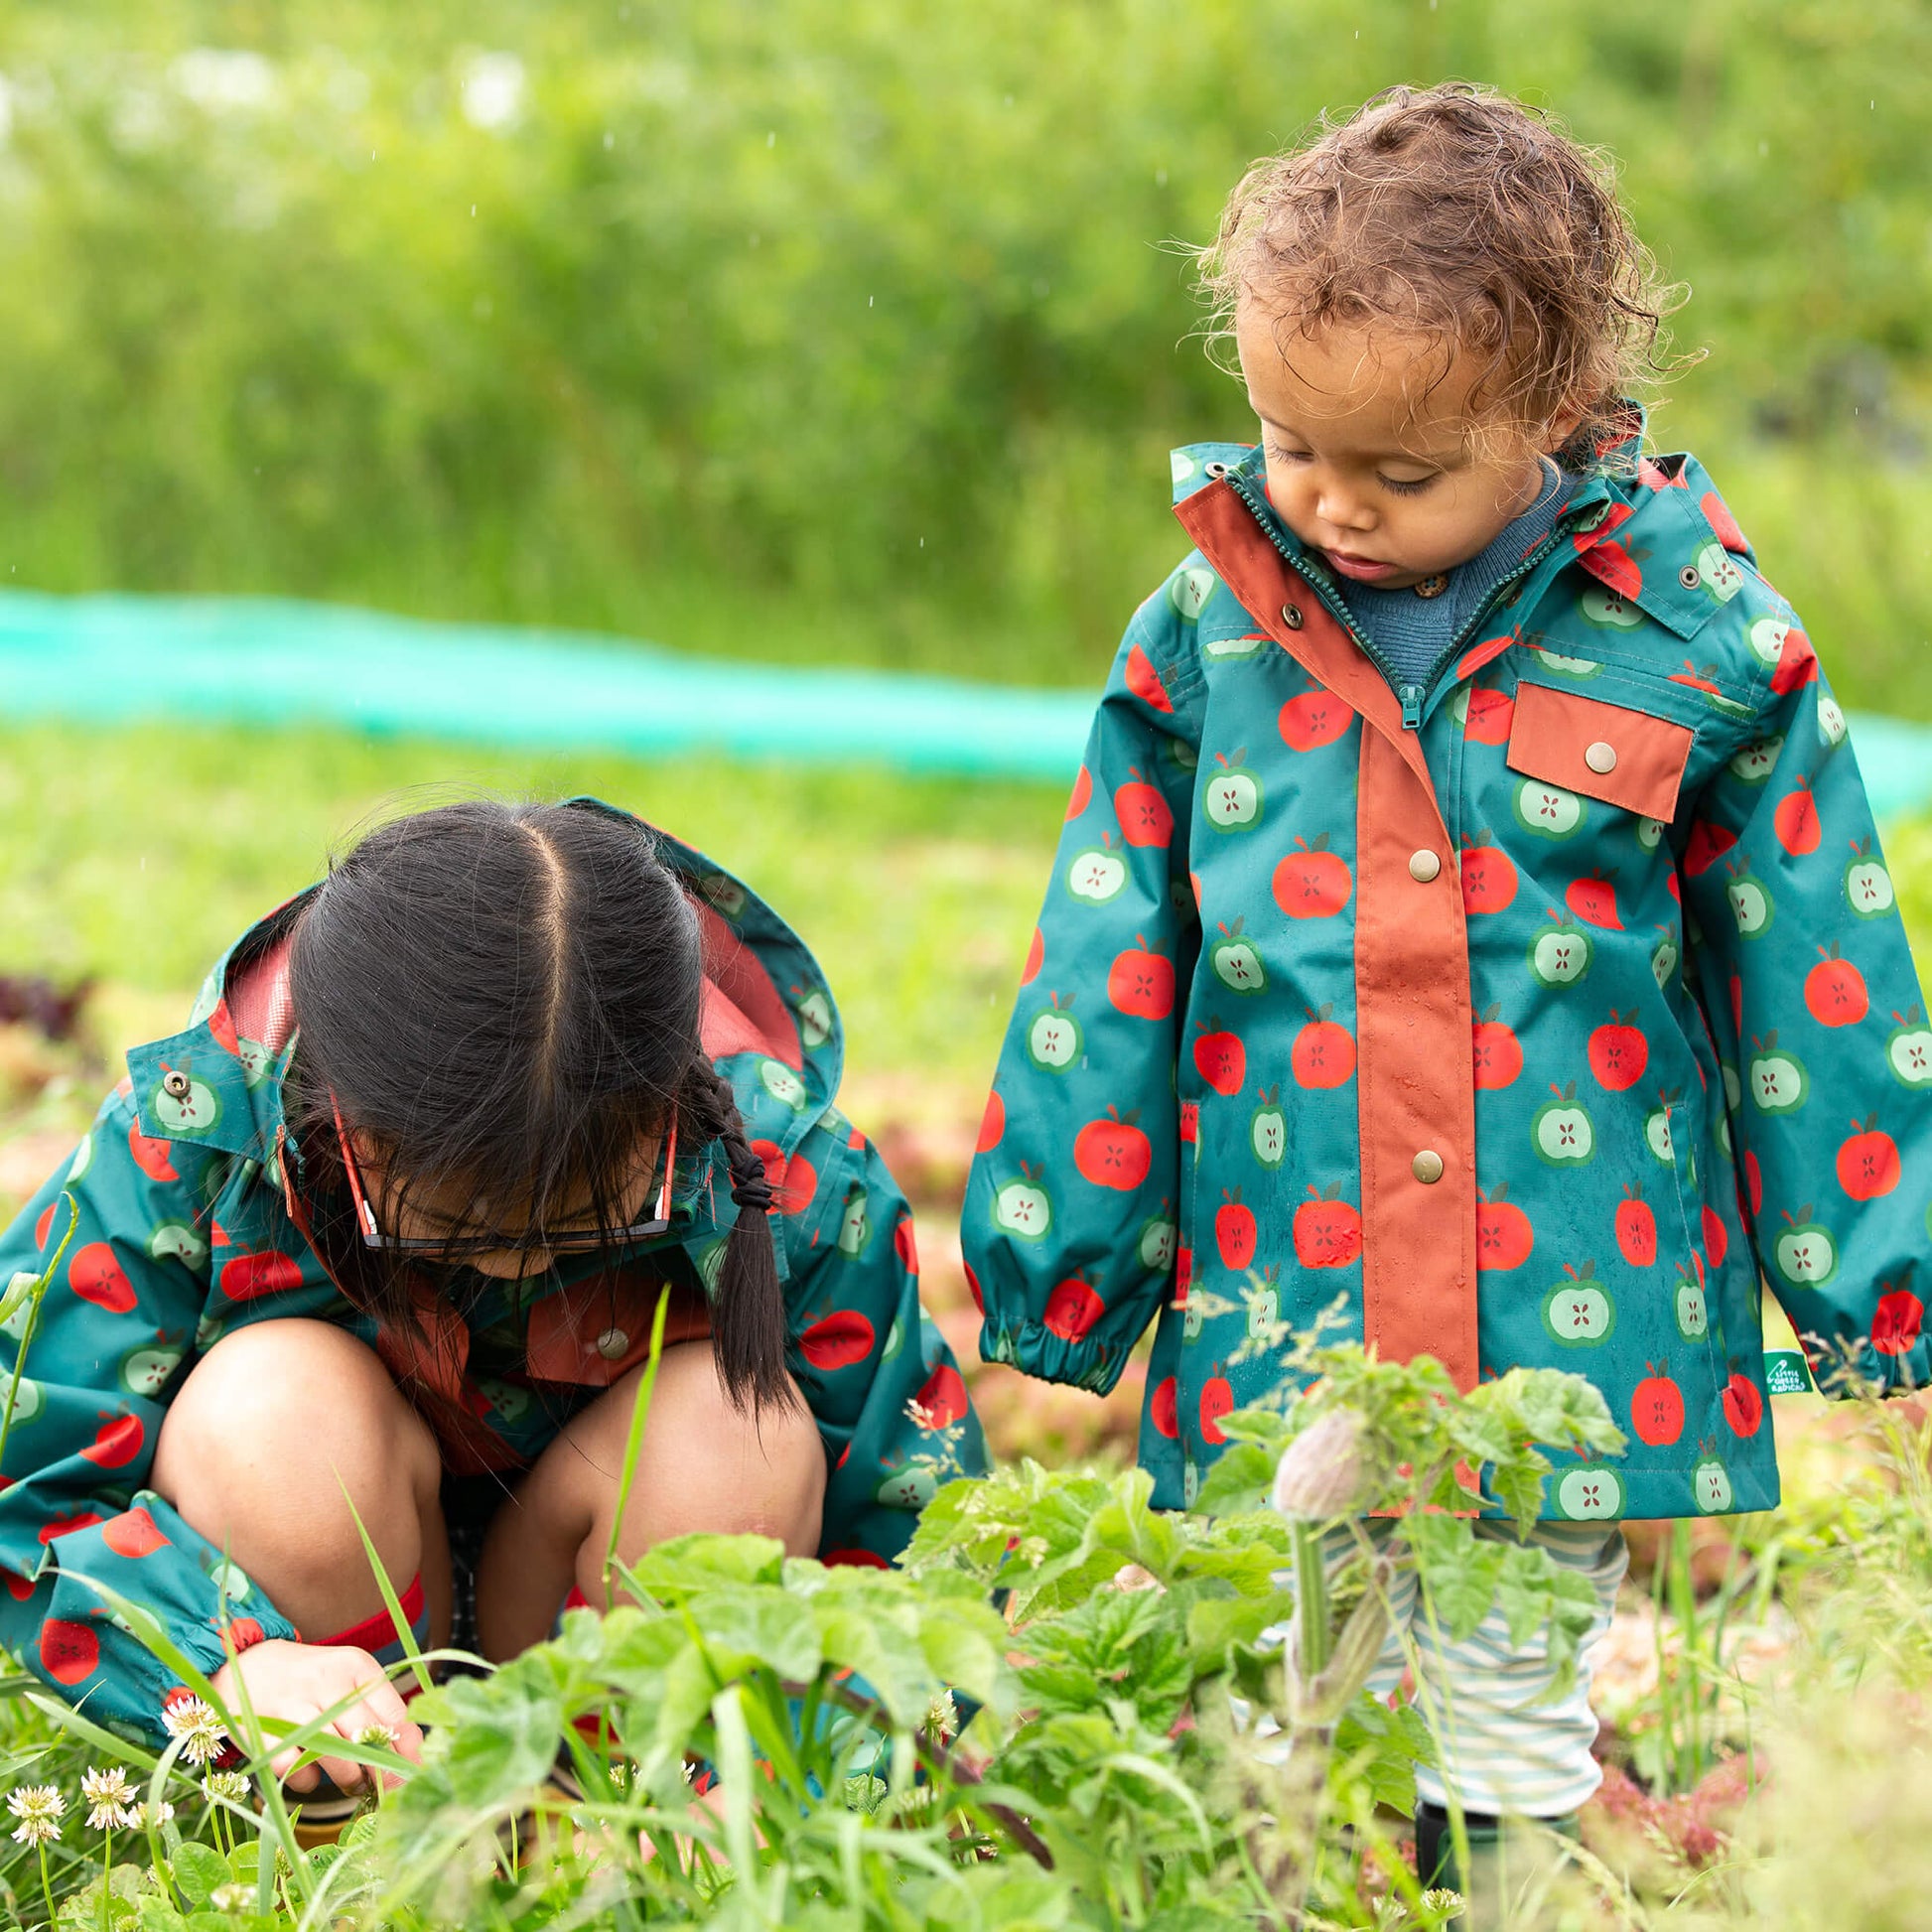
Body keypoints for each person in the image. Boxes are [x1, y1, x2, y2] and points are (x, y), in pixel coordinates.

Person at [963, 81, 1930, 1899]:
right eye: (1284, 442)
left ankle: (1504, 1863)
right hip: (1286, 1279)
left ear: (1554, 421)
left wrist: (1884, 1305)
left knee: (1501, 1681)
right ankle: (1294, 1863)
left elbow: (1821, 984)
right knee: (1290, 1670)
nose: (1324, 502)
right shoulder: (1202, 634)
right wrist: (1061, 1262)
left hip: (1564, 1287)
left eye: (1398, 475)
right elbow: (1109, 956)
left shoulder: (1699, 640)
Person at [0, 796, 982, 1820]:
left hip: (586, 1600)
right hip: (324, 1585)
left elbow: (926, 1551)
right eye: (446, 1232)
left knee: (741, 1427)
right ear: (346, 1122)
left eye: (577, 1231)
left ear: (667, 1113)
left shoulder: (793, 1176)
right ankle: (366, 1818)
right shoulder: (196, 1136)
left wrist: (803, 1777)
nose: (515, 1268)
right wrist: (228, 1663)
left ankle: (618, 1815)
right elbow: (23, 1486)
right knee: (266, 1402)